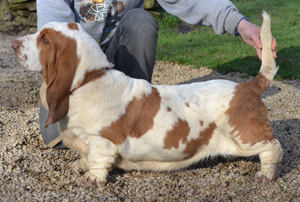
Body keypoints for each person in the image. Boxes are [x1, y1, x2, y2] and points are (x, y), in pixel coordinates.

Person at [37, 0, 277, 149]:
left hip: (117, 63)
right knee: (58, 139)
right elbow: (52, 30)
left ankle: (134, 128)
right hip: (75, 63)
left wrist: (240, 24)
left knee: (140, 21)